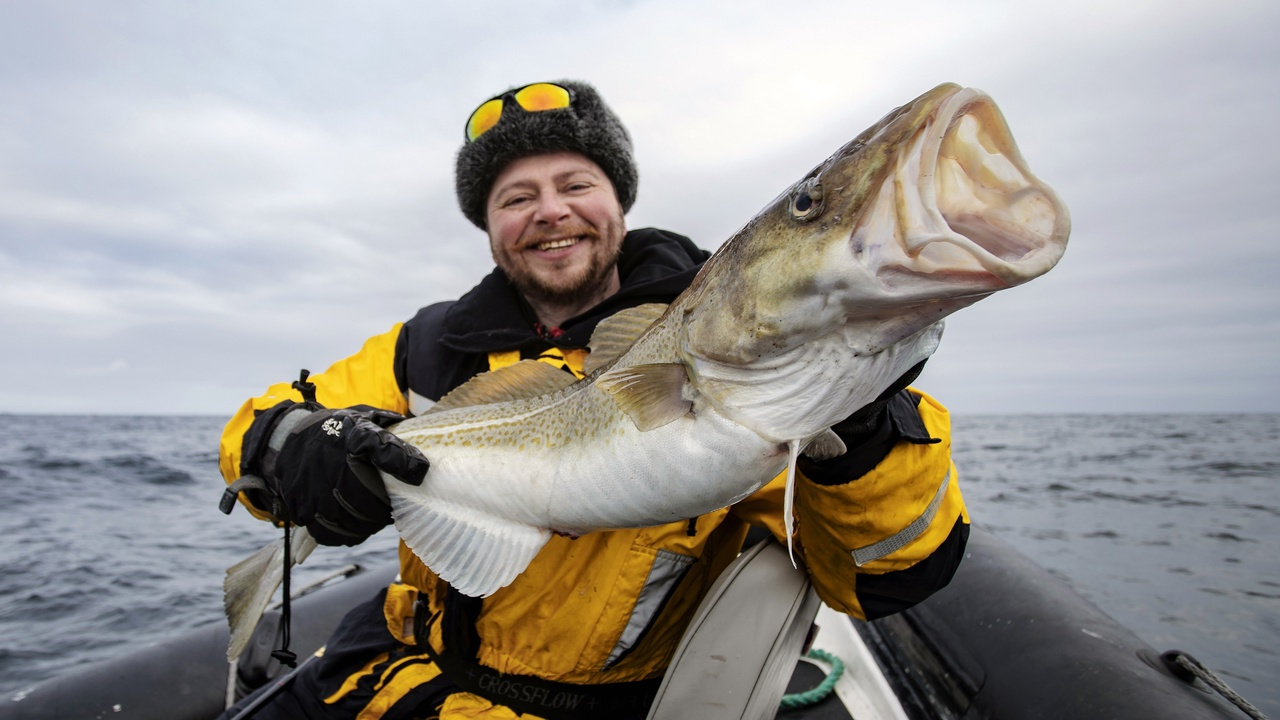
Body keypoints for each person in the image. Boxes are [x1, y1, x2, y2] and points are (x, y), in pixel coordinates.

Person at [217, 80, 969, 720]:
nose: (551, 211)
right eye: (516, 197)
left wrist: (867, 430)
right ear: (490, 225)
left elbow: (884, 575)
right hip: (401, 672)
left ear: (619, 200)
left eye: (576, 184)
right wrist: (302, 445)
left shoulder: (738, 348)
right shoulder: (430, 343)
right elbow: (257, 431)